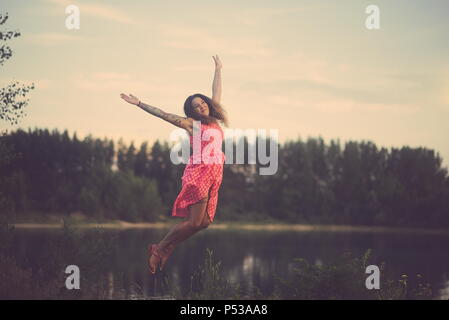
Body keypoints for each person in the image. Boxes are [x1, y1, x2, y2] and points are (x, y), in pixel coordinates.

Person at [120, 55, 229, 274]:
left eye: (202, 103)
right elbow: (164, 115)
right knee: (194, 221)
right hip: (199, 174)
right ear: (192, 112)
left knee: (205, 222)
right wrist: (140, 104)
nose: (201, 107)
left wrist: (218, 69)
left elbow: (216, 92)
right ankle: (159, 249)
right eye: (196, 107)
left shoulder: (214, 121)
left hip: (215, 175)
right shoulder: (192, 125)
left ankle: (167, 248)